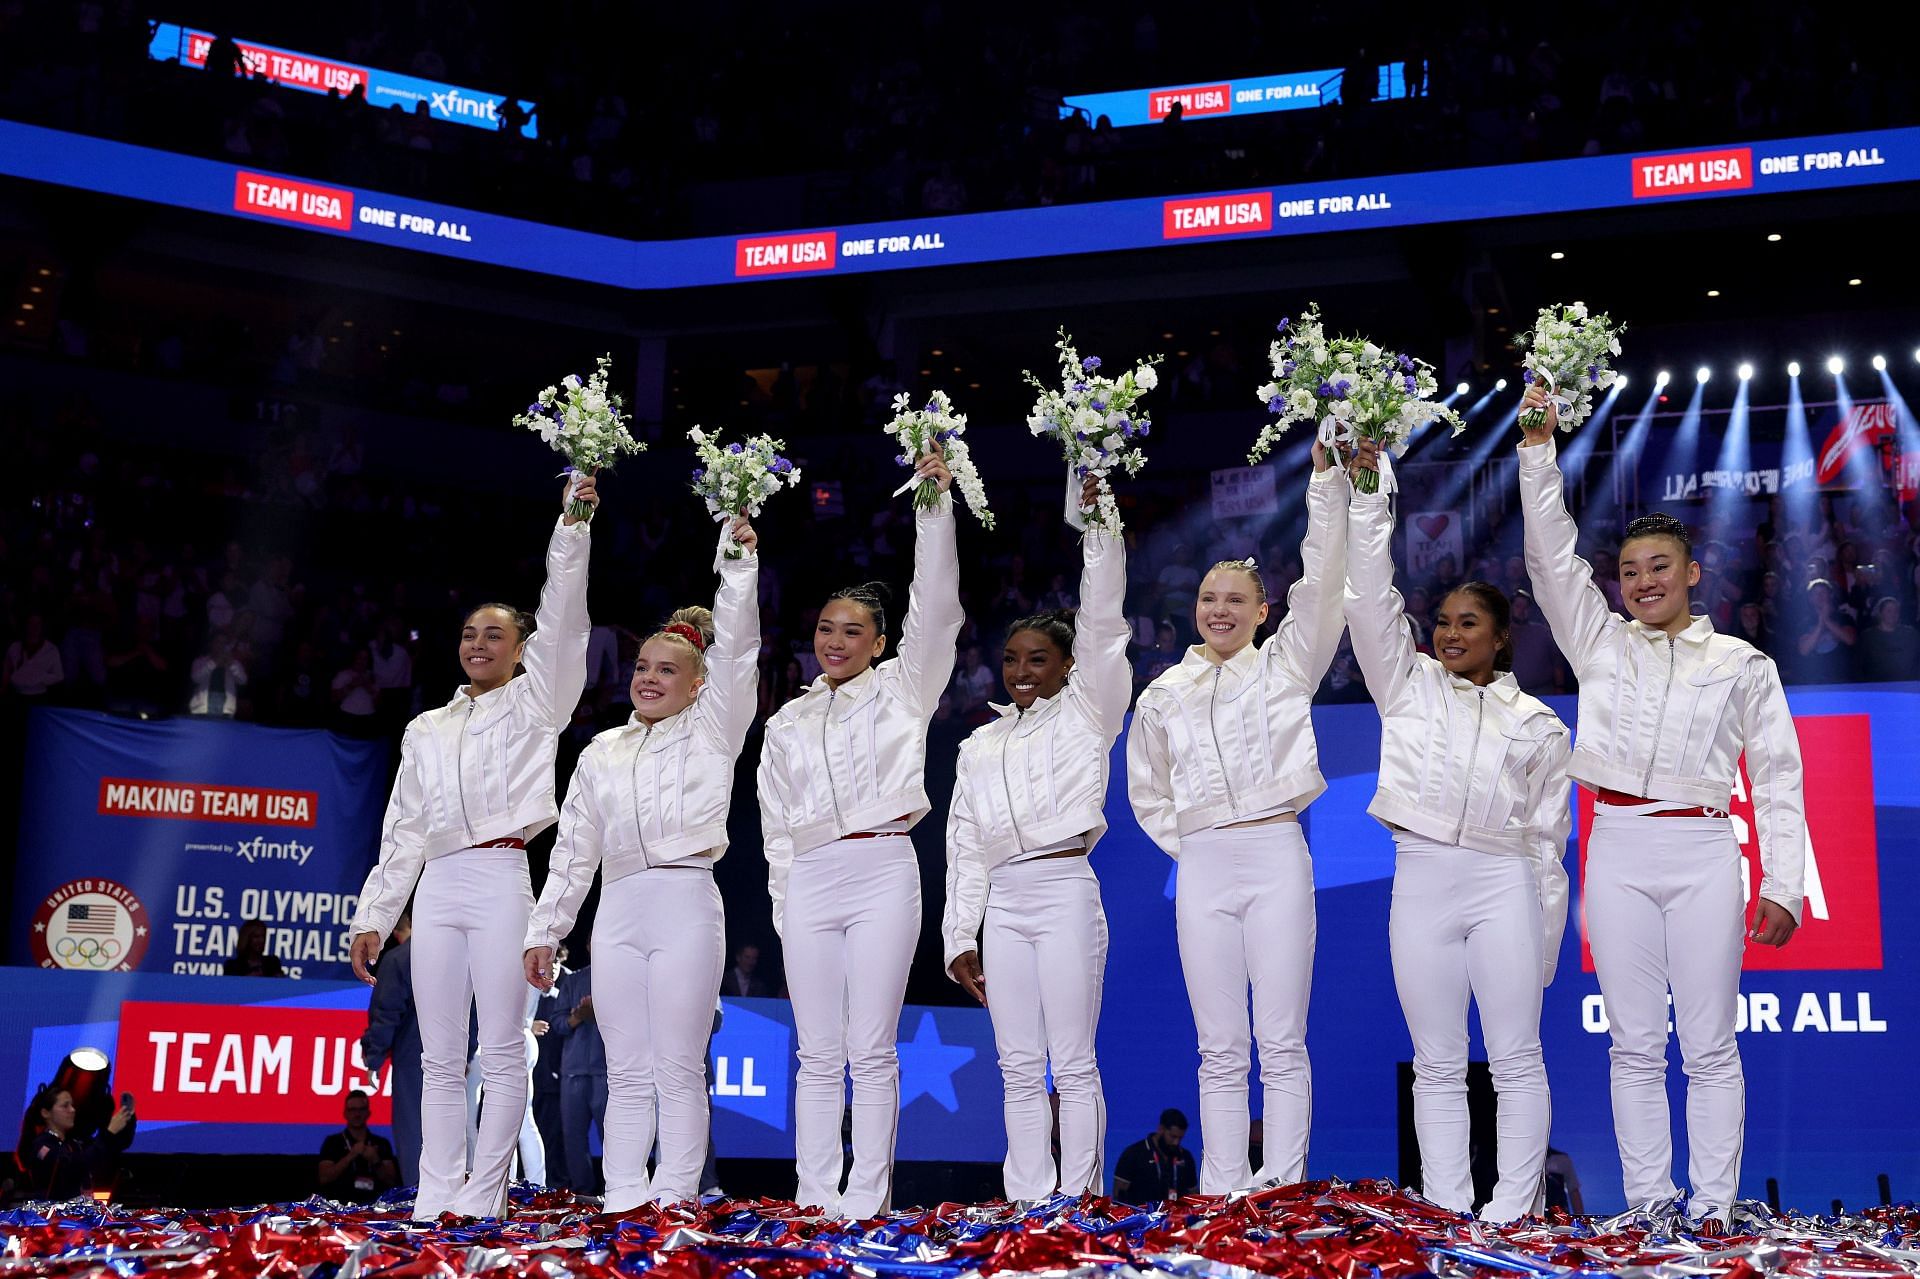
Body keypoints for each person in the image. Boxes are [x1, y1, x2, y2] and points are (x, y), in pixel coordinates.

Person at [1516, 386, 1803, 1226]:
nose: (1643, 581)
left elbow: (1779, 775)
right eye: (1631, 570)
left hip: (1706, 850)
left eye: (1659, 568)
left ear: (1692, 573)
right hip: (1620, 849)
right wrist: (1538, 453)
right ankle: (1649, 1204)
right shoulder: (1600, 643)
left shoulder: (1744, 663)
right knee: (1633, 1044)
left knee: (1710, 1043)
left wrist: (1782, 882)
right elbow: (1548, 561)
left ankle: (1713, 1207)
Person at [346, 472, 597, 1221]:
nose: (478, 644)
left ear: (522, 650)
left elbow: (566, 622)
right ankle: (437, 1189)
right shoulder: (426, 727)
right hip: (438, 886)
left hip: (500, 876)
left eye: (496, 634)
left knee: (502, 1047)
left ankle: (487, 1190)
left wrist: (572, 528)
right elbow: (404, 830)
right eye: (468, 633)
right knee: (437, 1055)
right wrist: (375, 914)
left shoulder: (537, 702)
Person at [1343, 437, 1571, 1222]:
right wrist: (1370, 496)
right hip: (1421, 876)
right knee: (1437, 1061)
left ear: (1500, 635)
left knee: (1515, 1056)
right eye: (1441, 621)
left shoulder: (1538, 723)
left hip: (1502, 881)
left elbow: (1548, 845)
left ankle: (1513, 1209)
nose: (1448, 633)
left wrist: (1543, 945)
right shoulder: (1405, 687)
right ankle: (1445, 1207)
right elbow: (1368, 599)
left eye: (1467, 623)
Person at [1126, 444, 1349, 1195]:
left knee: (1280, 1037)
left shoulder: (1287, 666)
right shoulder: (1164, 693)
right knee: (1218, 1043)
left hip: (1276, 852)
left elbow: (1323, 587)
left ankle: (1282, 1183)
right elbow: (1146, 791)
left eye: (1235, 600)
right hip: (1204, 867)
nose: (1218, 609)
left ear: (1263, 612)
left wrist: (1322, 484)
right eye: (1207, 597)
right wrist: (1193, 842)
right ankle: (1222, 1187)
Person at [525, 515, 760, 1209]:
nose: (650, 678)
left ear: (697, 685)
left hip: (687, 902)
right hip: (620, 908)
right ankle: (624, 1198)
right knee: (626, 1070)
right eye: (641, 667)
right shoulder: (600, 751)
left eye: (668, 670)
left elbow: (740, 648)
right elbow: (572, 852)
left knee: (679, 1066)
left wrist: (738, 564)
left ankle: (678, 1197)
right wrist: (546, 929)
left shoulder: (715, 730)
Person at [756, 446, 961, 1218]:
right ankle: (814, 1196)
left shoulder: (905, 690)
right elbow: (775, 826)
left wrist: (934, 512)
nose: (835, 641)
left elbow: (936, 608)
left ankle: (866, 1200)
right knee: (815, 1050)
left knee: (871, 1047)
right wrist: (783, 903)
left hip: (882, 869)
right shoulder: (787, 721)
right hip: (809, 878)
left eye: (853, 631)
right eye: (825, 628)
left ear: (880, 641)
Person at [942, 475, 1127, 1201]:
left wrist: (1100, 522)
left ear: (1069, 667)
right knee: (1017, 1063)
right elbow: (963, 844)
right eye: (1012, 660)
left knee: (1072, 1060)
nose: (1021, 671)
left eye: (1038, 659)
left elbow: (1105, 620)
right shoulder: (976, 747)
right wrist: (961, 933)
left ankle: (1079, 1199)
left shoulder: (1088, 713)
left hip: (1064, 889)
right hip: (1004, 902)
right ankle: (1025, 1197)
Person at [361, 913, 423, 1187]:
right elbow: (474, 1011)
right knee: (455, 1134)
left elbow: (387, 1013)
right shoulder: (461, 955)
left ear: (396, 931)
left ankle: (424, 1208)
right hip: (455, 1057)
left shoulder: (400, 958)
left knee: (414, 1134)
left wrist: (373, 1058)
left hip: (413, 1057)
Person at [551, 963, 608, 1195]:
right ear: (588, 945)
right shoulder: (573, 980)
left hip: (608, 1072)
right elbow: (558, 1022)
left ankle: (616, 1190)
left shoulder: (624, 975)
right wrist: (577, 1017)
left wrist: (602, 1013)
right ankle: (582, 1192)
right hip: (573, 1071)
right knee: (573, 1136)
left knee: (613, 1137)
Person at [23, 1087, 135, 1200]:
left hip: (80, 1213)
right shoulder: (42, 1146)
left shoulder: (74, 1143)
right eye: (65, 1106)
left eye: (72, 1105)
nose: (72, 1110)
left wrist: (128, 1120)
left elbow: (114, 1147)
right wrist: (109, 1132)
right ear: (46, 1113)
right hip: (52, 1215)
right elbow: (74, 1166)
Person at [318, 1089, 400, 1203]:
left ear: (368, 1112)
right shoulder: (333, 1142)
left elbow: (392, 1182)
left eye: (361, 1109)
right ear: (345, 1113)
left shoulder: (381, 1143)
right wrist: (351, 1156)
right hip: (341, 1205)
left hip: (375, 1205)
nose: (357, 1114)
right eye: (352, 1110)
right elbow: (324, 1178)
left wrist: (375, 1160)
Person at [1111, 1109, 1197, 1204]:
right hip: (1140, 1217)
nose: (1176, 1142)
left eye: (1180, 1138)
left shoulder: (1185, 1157)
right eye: (1173, 1137)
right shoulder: (1133, 1154)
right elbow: (1118, 1196)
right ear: (1161, 1129)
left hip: (1176, 1216)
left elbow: (1193, 1195)